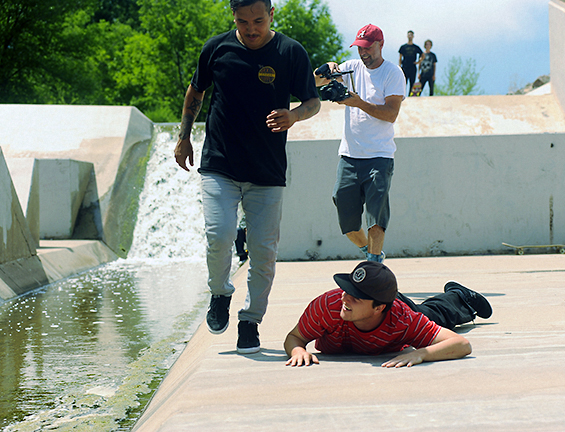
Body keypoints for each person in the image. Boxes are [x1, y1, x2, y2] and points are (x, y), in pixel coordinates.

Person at [173, 0, 320, 354]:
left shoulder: (290, 52)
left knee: (263, 253)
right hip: (220, 164)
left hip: (267, 172)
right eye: (242, 21)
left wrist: (294, 116)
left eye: (257, 20)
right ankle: (220, 293)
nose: (250, 29)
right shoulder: (217, 48)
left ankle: (251, 321)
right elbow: (196, 91)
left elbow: (312, 102)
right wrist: (183, 136)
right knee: (219, 235)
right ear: (233, 17)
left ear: (271, 15)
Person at [284, 261, 492, 368]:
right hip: (382, 302)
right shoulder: (329, 305)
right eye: (347, 290)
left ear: (378, 307)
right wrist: (297, 351)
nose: (345, 299)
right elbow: (294, 337)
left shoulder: (402, 319)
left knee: (432, 314)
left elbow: (462, 345)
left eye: (356, 297)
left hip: (396, 308)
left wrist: (420, 354)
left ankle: (459, 295)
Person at [314, 24, 406, 263]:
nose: (363, 53)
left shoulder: (392, 73)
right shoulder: (351, 67)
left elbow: (391, 114)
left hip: (379, 156)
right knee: (348, 225)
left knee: (376, 218)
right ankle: (369, 251)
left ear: (380, 45)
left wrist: (358, 103)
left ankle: (375, 264)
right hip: (349, 157)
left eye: (367, 48)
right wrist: (326, 69)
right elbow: (316, 82)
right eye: (359, 48)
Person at [398, 30, 424, 95]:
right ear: (407, 36)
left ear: (413, 36)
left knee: (412, 82)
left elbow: (423, 55)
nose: (410, 36)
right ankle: (402, 95)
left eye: (411, 35)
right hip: (405, 66)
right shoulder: (403, 47)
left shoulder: (416, 47)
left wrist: (418, 62)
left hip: (412, 67)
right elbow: (400, 57)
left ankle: (410, 96)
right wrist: (399, 66)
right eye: (409, 35)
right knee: (404, 82)